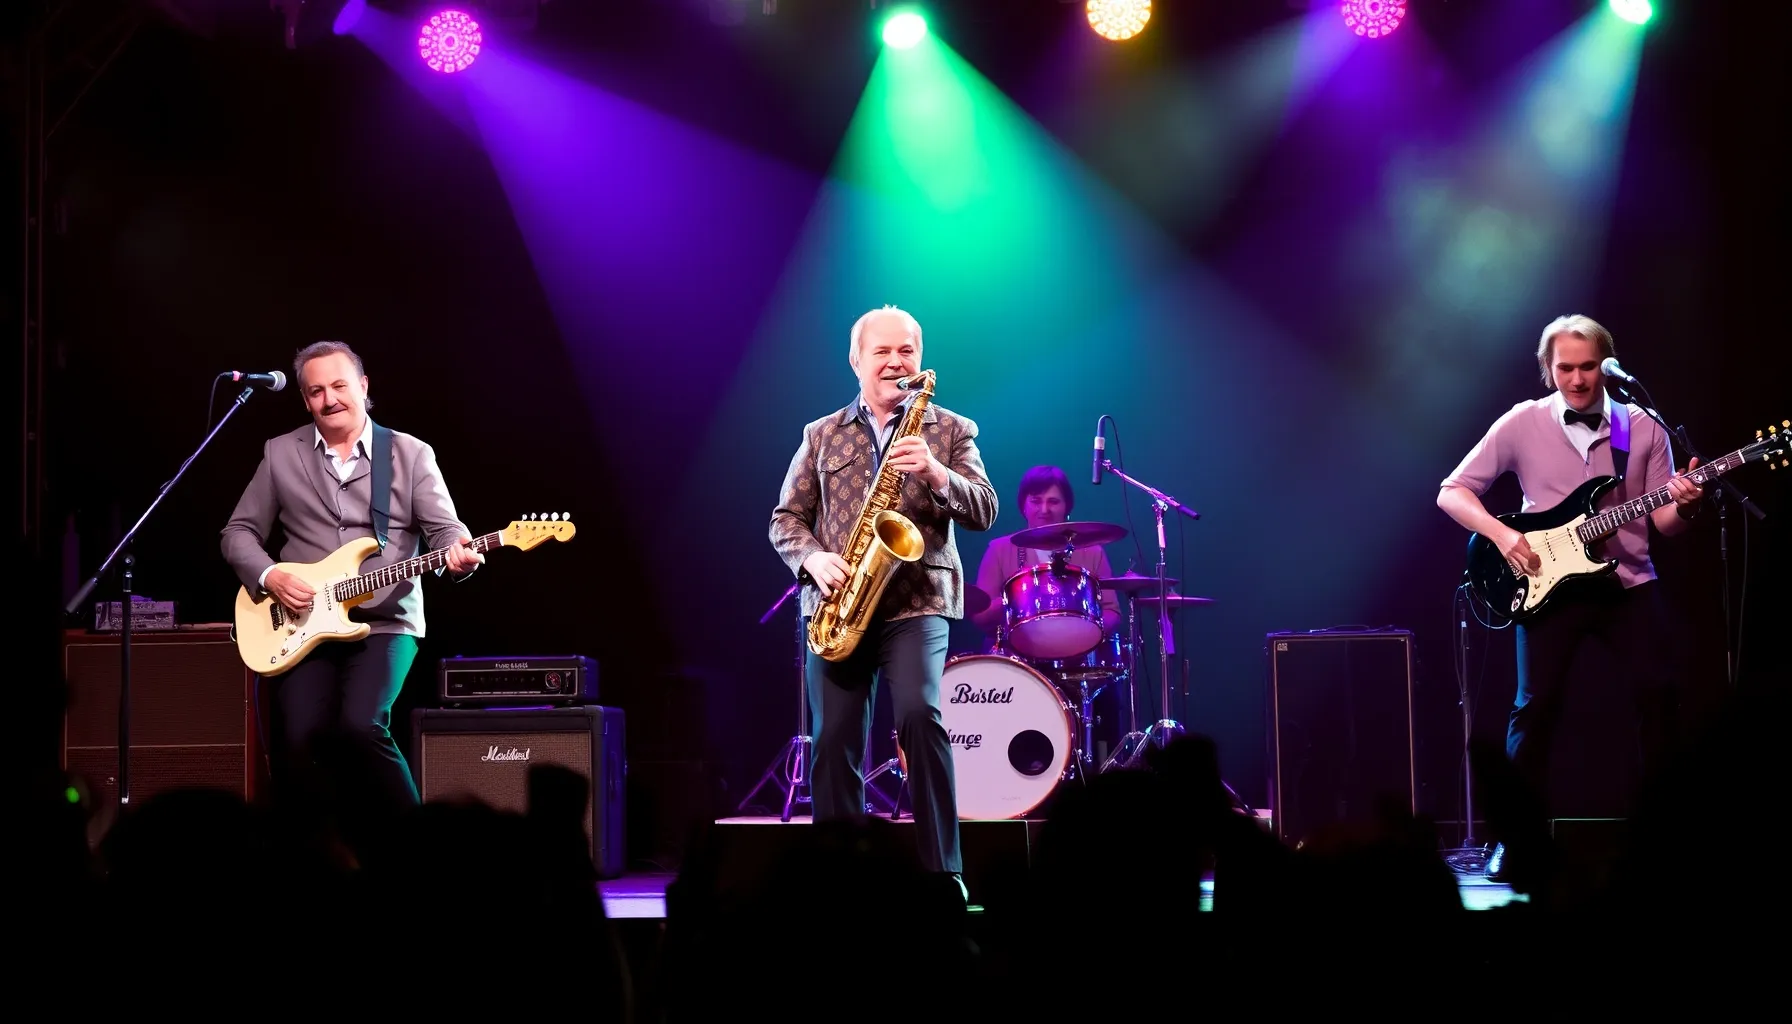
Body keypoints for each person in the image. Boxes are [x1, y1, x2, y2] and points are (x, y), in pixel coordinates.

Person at [1437, 314, 1702, 881]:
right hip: (1547, 584)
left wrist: (1686, 504)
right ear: (1547, 369)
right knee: (1534, 710)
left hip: (1628, 581)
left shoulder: (1642, 427)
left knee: (1659, 699)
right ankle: (1514, 839)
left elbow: (1664, 523)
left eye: (1588, 367)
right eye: (1565, 368)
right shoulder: (1522, 422)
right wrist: (1503, 536)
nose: (1577, 380)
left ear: (1607, 366)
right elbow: (1452, 492)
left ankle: (1663, 835)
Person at [770, 305, 999, 902]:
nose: (896, 362)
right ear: (857, 361)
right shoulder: (821, 434)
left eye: (906, 352)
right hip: (839, 603)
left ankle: (943, 872)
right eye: (882, 352)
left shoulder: (951, 429)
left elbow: (985, 509)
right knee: (833, 740)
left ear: (919, 359)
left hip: (917, 601)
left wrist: (936, 473)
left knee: (920, 716)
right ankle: (841, 880)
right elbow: (785, 520)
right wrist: (814, 560)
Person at [222, 340, 483, 846]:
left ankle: (420, 849)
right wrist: (271, 576)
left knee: (361, 726)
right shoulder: (281, 452)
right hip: (299, 622)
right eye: (316, 391)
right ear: (305, 400)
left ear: (363, 387)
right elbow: (237, 533)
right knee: (300, 738)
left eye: (340, 386)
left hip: (386, 621)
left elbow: (446, 531)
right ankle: (323, 856)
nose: (330, 399)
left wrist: (459, 553)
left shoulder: (409, 453)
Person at [969, 465, 1123, 644]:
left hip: (1079, 653)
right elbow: (980, 616)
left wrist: (1086, 635)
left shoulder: (1093, 552)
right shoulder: (998, 549)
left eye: (1053, 502)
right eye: (1036, 501)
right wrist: (1015, 600)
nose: (1044, 510)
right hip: (1013, 654)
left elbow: (1112, 612)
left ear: (1067, 507)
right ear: (1023, 506)